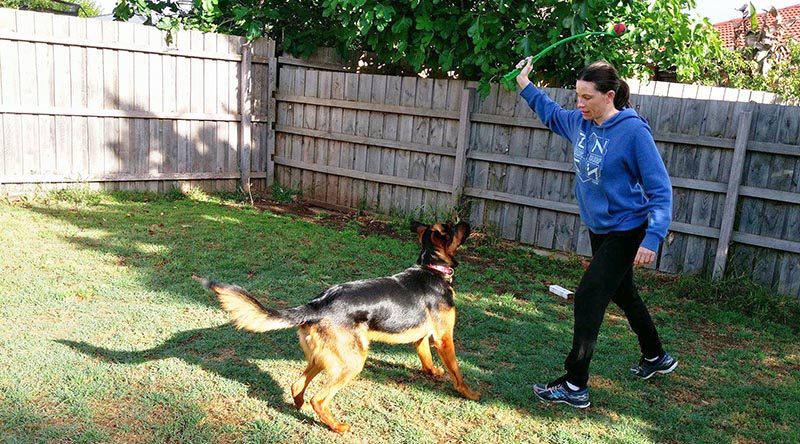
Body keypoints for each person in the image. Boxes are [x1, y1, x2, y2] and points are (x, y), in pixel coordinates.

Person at [515, 57, 677, 409]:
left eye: (587, 97)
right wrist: (525, 85)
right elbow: (552, 113)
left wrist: (652, 238)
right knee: (624, 293)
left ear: (610, 95)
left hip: (628, 228)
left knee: (589, 296)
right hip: (600, 229)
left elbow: (660, 189)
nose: (580, 103)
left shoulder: (633, 133)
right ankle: (656, 356)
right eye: (577, 95)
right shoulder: (580, 123)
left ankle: (575, 384)